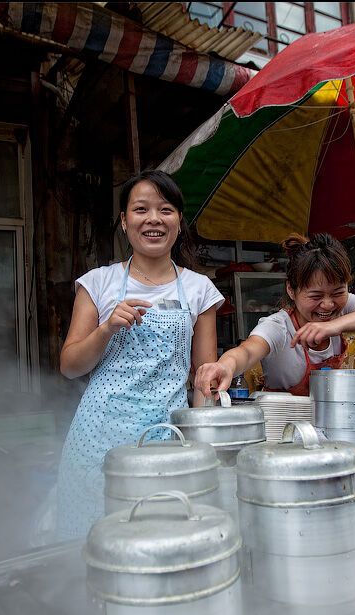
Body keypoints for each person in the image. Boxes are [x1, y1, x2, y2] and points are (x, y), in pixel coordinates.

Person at [55, 170, 223, 540]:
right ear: (124, 220)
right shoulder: (98, 282)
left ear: (179, 220)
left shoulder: (199, 289)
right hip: (98, 434)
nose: (153, 220)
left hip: (166, 435)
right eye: (141, 209)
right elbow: (69, 366)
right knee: (92, 536)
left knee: (158, 535)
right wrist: (106, 329)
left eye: (165, 210)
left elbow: (204, 378)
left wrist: (202, 445)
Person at [195, 233, 355, 399]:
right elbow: (246, 352)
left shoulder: (341, 309)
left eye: (337, 292)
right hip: (283, 431)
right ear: (291, 290)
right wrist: (224, 366)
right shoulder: (278, 326)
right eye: (315, 295)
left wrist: (334, 326)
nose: (327, 304)